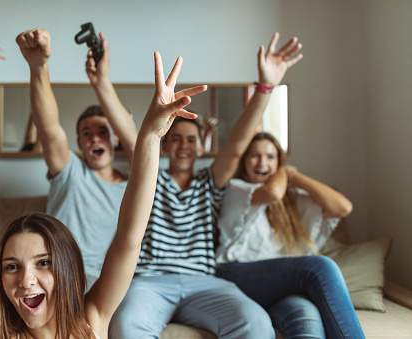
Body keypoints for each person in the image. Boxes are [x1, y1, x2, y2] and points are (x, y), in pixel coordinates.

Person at [0, 23, 203, 337]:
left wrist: (153, 134)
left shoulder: (91, 321)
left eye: (43, 263)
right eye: (11, 267)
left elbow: (129, 239)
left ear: (66, 268)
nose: (26, 280)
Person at [110, 32, 303, 339]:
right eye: (176, 139)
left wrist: (265, 87)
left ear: (201, 147)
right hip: (149, 280)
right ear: (165, 143)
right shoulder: (149, 176)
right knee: (125, 326)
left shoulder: (209, 182)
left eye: (191, 140)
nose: (184, 146)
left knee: (256, 323)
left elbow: (238, 145)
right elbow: (126, 128)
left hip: (204, 281)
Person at [19, 29, 138, 290]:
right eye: (87, 134)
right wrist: (39, 67)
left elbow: (140, 146)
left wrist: (102, 82)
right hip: (55, 272)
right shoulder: (70, 170)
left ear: (115, 139)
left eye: (102, 133)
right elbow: (49, 130)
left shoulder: (133, 185)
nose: (95, 139)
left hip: (101, 281)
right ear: (79, 143)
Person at [215, 132, 365, 338]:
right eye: (254, 156)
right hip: (237, 275)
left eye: (270, 157)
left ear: (279, 162)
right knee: (320, 266)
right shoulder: (236, 190)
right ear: (244, 161)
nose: (262, 162)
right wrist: (284, 174)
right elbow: (273, 192)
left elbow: (343, 207)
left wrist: (295, 176)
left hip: (282, 285)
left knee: (307, 317)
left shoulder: (291, 199)